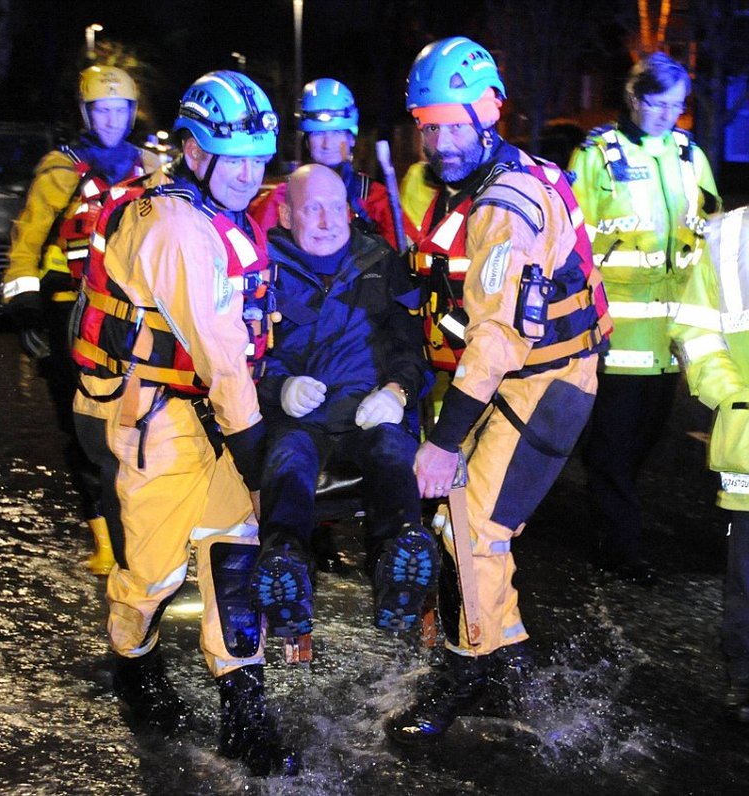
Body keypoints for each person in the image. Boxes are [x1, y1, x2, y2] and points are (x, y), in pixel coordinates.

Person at [69, 70, 299, 777]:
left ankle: (245, 713)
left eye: (260, 158)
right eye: (235, 158)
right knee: (152, 574)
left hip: (216, 418)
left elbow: (244, 339)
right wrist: (259, 453)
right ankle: (132, 663)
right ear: (194, 151)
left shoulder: (218, 214)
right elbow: (222, 354)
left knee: (235, 555)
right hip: (159, 419)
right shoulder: (172, 226)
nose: (249, 173)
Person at [384, 36, 611, 749]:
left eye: (453, 124)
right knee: (463, 527)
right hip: (510, 377)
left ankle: (468, 668)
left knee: (475, 527)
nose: (440, 140)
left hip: (543, 379)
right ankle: (505, 656)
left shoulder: (504, 202)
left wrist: (444, 443)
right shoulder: (473, 185)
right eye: (428, 124)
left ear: (487, 112)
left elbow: (495, 338)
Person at [249, 163, 435, 639]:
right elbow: (237, 356)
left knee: (393, 454)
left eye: (337, 207)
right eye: (314, 209)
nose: (330, 221)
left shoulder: (380, 262)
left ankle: (399, 563)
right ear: (287, 214)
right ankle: (285, 564)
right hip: (300, 418)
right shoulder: (260, 266)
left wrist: (398, 393)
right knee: (288, 461)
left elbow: (411, 347)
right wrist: (277, 389)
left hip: (370, 409)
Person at [568, 53, 722, 583]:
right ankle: (620, 548)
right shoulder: (596, 157)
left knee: (642, 447)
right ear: (634, 99)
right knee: (611, 451)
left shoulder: (687, 154)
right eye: (659, 104)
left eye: (678, 106)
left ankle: (615, 525)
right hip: (616, 336)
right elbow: (570, 244)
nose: (668, 116)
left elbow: (710, 229)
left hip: (671, 339)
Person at [4, 64, 146, 575]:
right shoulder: (60, 170)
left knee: (143, 422)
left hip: (134, 313)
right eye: (101, 110)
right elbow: (26, 243)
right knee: (82, 425)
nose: (110, 119)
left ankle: (144, 526)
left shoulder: (151, 170)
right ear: (87, 113)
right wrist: (24, 307)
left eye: (118, 110)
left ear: (131, 113)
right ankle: (105, 540)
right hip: (70, 310)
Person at [669, 206, 749, 723]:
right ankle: (745, 680)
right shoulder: (729, 236)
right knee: (747, 577)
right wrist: (734, 398)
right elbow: (697, 332)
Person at [249, 78, 397, 248]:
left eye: (336, 132)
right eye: (318, 134)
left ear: (351, 139)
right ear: (307, 142)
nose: (328, 144)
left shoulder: (375, 198)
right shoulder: (282, 198)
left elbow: (399, 257)